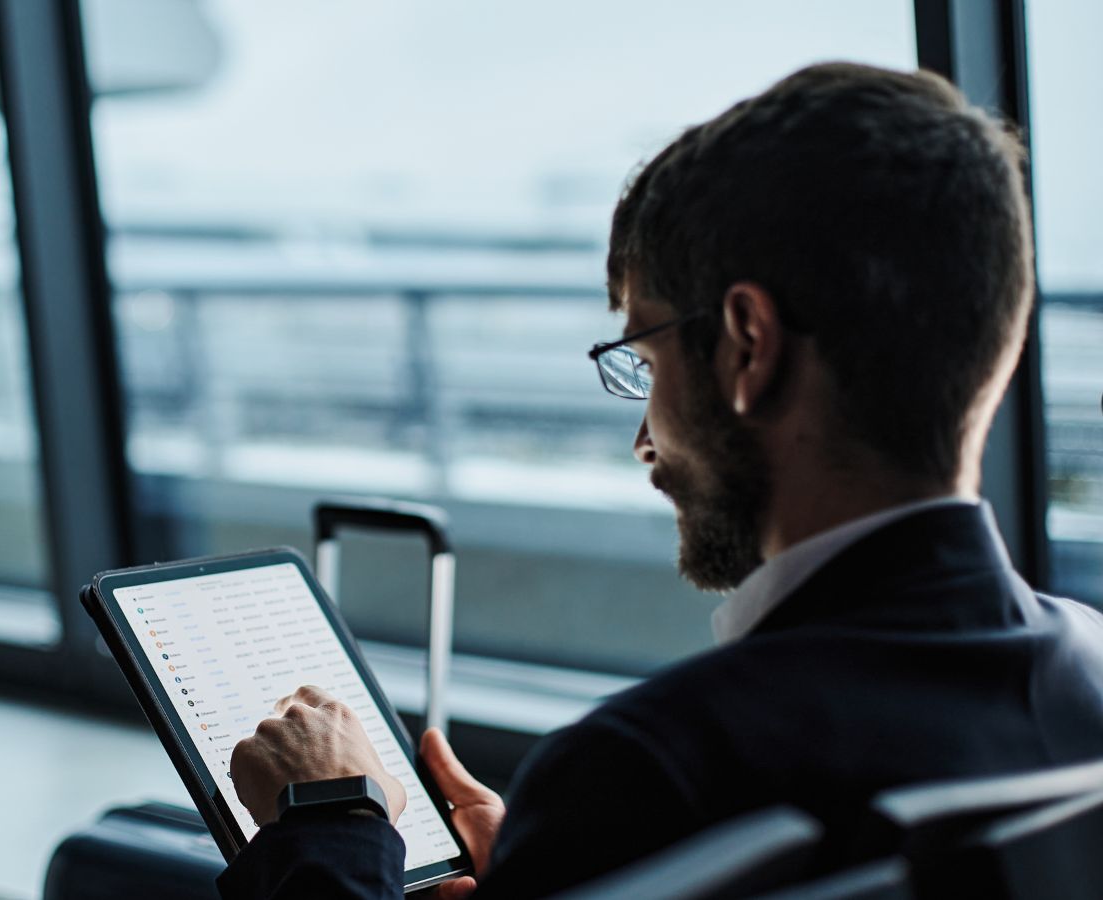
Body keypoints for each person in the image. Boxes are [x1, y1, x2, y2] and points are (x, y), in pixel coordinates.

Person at [216, 62, 1103, 899]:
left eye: (645, 360)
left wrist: (331, 823)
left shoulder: (650, 771)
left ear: (747, 344)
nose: (645, 441)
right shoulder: (1086, 675)